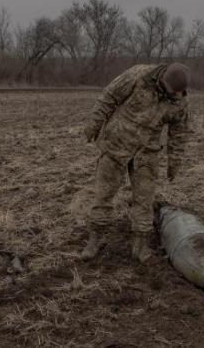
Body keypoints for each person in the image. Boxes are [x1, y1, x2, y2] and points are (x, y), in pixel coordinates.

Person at [80, 63, 190, 263]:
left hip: (147, 153)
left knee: (144, 200)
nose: (171, 95)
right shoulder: (138, 76)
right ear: (162, 78)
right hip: (117, 144)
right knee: (103, 195)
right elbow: (109, 96)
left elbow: (179, 133)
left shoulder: (179, 100)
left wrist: (174, 162)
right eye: (169, 90)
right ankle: (95, 240)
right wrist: (94, 123)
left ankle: (140, 247)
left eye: (175, 93)